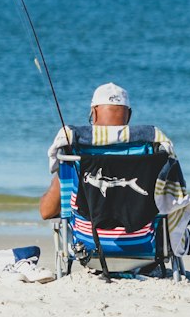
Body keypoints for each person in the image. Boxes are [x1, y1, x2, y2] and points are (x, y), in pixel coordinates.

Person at [38, 81, 177, 220]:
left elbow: (47, 211)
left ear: (93, 113)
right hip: (142, 238)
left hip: (86, 238)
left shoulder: (76, 152)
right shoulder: (149, 150)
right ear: (129, 115)